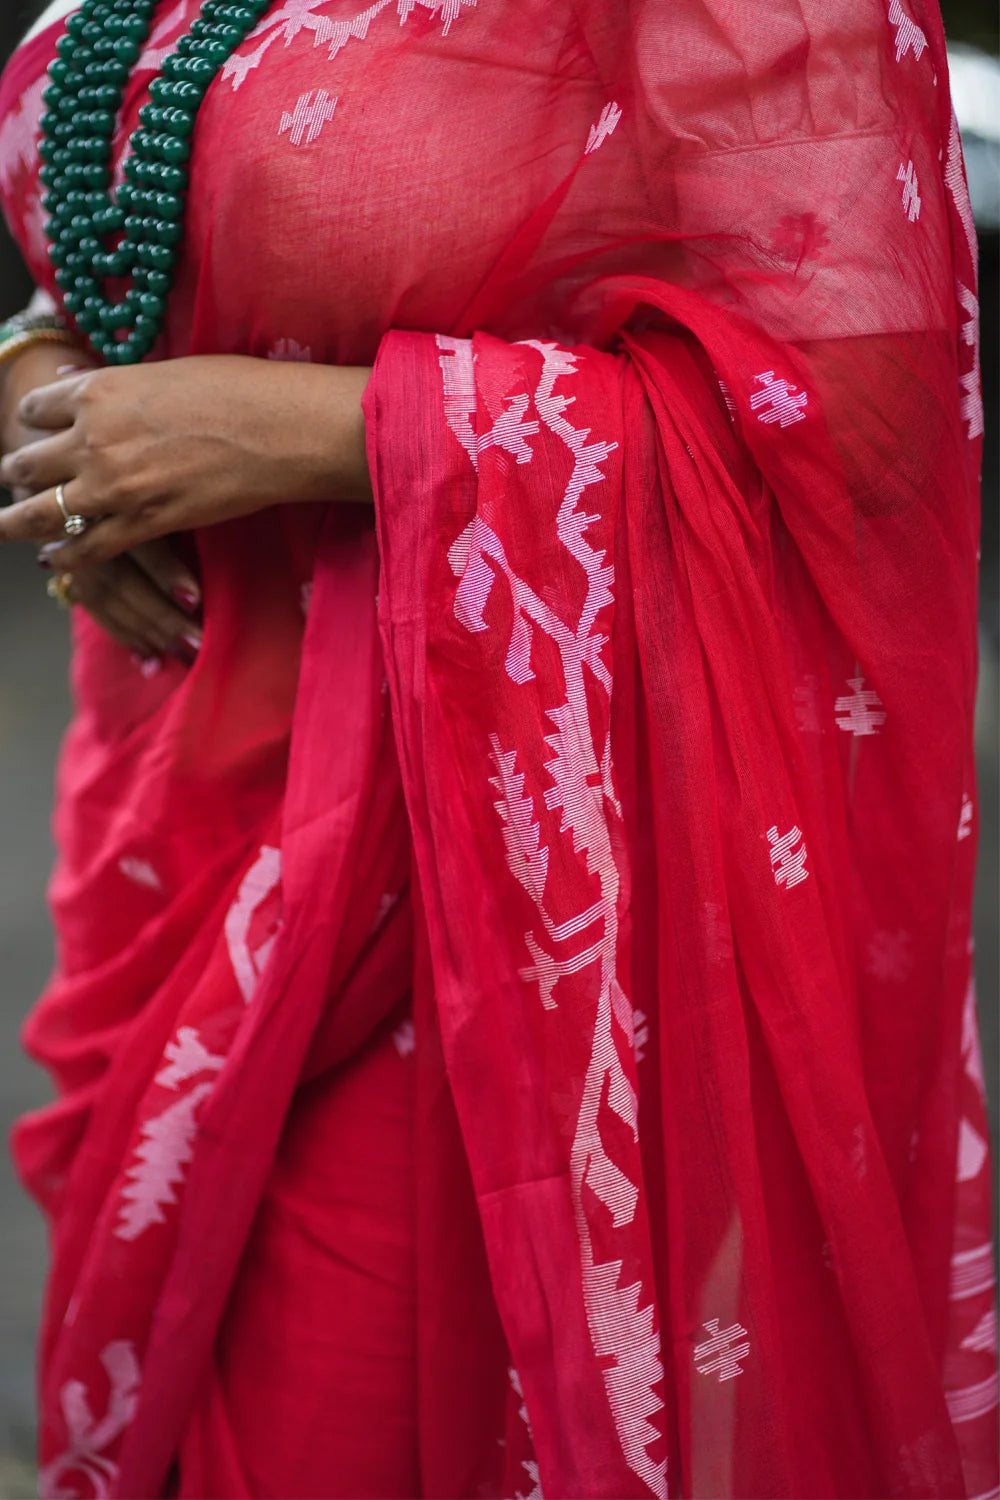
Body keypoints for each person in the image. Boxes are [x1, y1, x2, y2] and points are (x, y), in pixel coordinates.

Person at [0, 0, 996, 1496]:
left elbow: (856, 431)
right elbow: (136, 211)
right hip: (177, 808)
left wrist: (328, 435)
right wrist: (40, 374)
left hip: (476, 920)